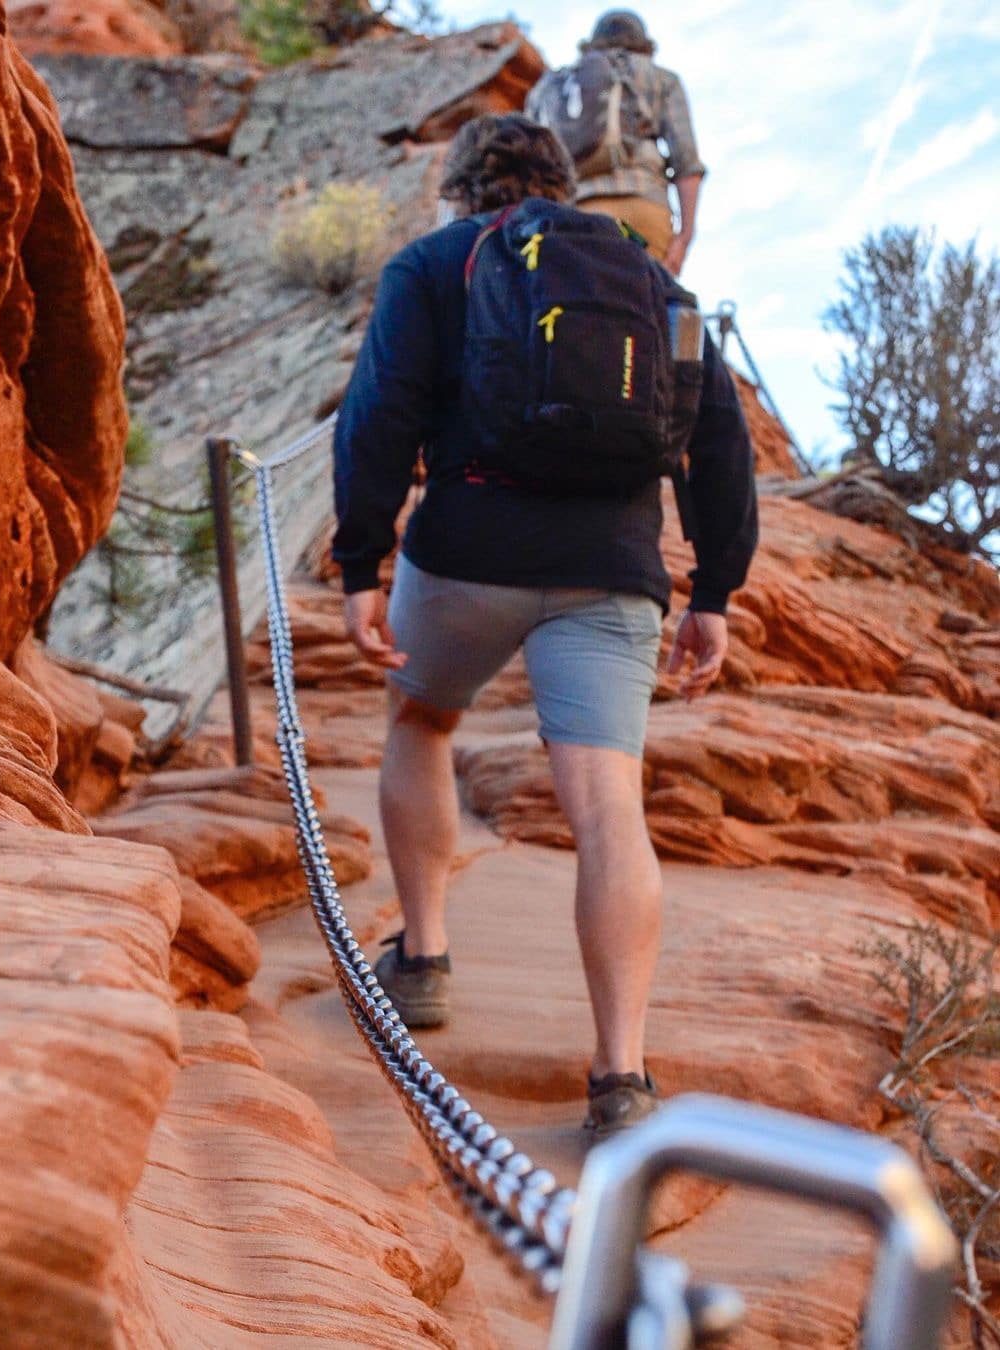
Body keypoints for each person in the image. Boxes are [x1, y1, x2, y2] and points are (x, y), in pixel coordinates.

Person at [332, 113, 756, 1135]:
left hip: (466, 556)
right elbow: (720, 441)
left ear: (459, 190)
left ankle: (422, 959)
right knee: (609, 806)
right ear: (565, 187)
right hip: (611, 571)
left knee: (422, 721)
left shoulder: (436, 262)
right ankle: (621, 1077)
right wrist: (713, 593)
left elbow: (380, 413)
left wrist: (360, 563)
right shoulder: (653, 282)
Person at [525, 10, 705, 276]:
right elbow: (686, 162)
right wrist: (685, 236)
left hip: (576, 216)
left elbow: (531, 168)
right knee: (651, 298)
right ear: (644, 45)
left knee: (586, 300)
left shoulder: (549, 88)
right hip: (644, 209)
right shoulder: (659, 78)